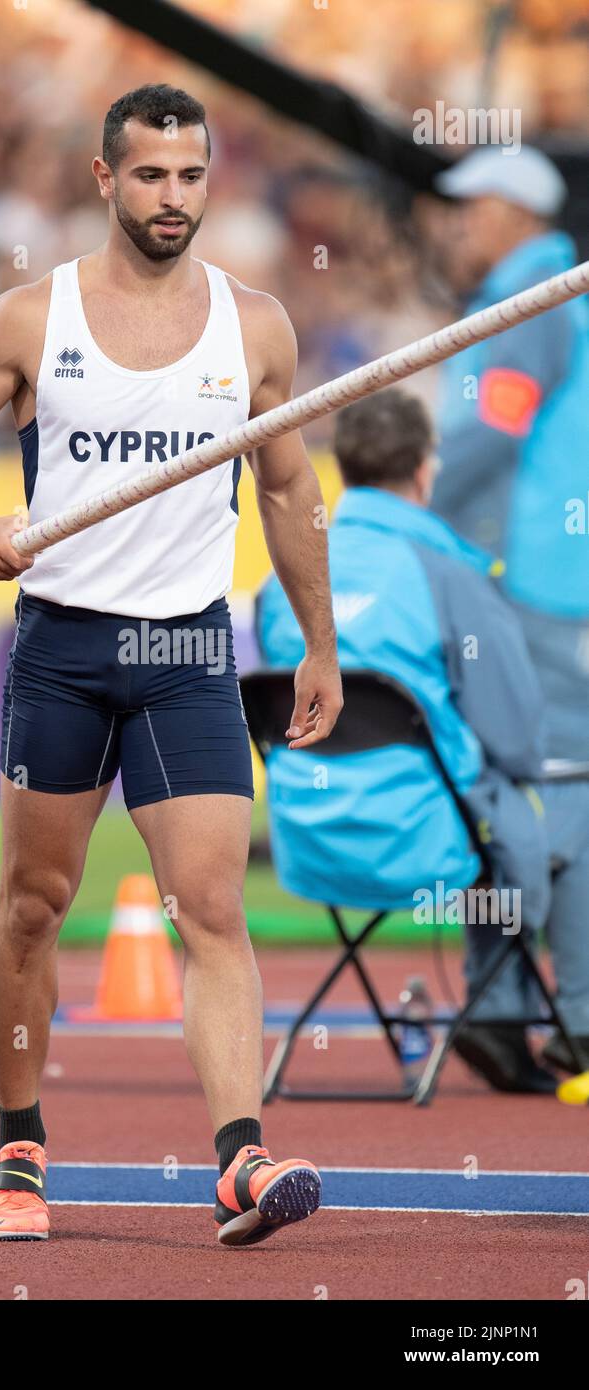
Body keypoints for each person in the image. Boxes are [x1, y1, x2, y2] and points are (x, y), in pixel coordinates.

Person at [0, 84, 342, 1245]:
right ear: (105, 179)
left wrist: (317, 646)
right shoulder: (29, 322)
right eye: (150, 176)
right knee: (34, 908)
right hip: (64, 647)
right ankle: (19, 1146)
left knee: (213, 907)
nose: (172, 198)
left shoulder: (255, 327)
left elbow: (290, 491)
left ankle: (241, 1159)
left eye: (191, 177)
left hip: (188, 648)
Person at [256, 387, 589, 1093]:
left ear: (343, 465)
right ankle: (574, 1027)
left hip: (311, 838)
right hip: (425, 844)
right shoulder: (450, 575)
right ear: (425, 468)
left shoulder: (277, 580)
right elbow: (520, 738)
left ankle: (500, 1016)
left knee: (480, 803)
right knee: (557, 802)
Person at [429, 148, 589, 1074]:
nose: (457, 224)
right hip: (538, 576)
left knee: (546, 780)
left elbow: (497, 427)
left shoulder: (535, 291)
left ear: (519, 214)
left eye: (473, 207)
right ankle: (534, 1005)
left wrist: (412, 508)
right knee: (547, 777)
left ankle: (515, 1001)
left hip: (540, 579)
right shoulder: (535, 289)